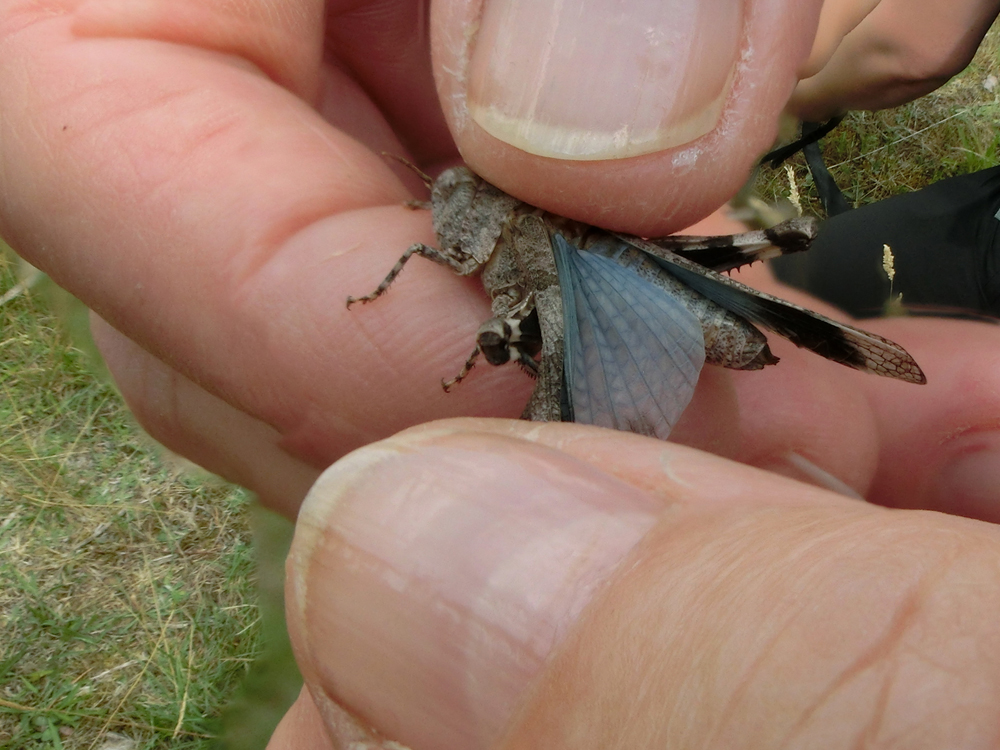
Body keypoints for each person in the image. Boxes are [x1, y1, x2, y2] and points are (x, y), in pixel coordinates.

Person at [2, 1, 1000, 748]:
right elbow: (448, 251)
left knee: (574, 423)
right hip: (620, 283)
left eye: (456, 209)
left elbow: (480, 290)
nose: (445, 218)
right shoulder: (467, 216)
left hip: (619, 294)